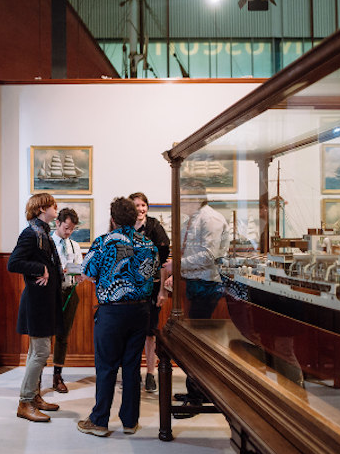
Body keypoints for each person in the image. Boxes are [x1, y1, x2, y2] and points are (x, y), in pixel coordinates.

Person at [77, 197, 159, 437]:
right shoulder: (148, 244)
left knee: (106, 366)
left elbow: (88, 273)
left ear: (112, 219)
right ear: (135, 217)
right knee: (132, 366)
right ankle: (130, 422)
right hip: (140, 310)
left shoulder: (103, 243)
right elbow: (152, 275)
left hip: (112, 311)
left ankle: (100, 421)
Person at [158, 181, 230, 417]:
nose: (180, 203)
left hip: (206, 285)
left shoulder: (210, 219)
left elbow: (209, 256)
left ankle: (198, 395)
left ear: (196, 197)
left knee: (198, 343)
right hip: (194, 283)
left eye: (183, 198)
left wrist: (176, 266)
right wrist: (177, 274)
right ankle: (195, 391)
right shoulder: (193, 220)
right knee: (192, 339)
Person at [8, 193, 64, 422]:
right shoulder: (31, 233)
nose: (56, 208)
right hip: (37, 301)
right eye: (53, 205)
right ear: (42, 209)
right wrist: (40, 268)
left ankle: (34, 397)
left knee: (36, 351)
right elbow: (14, 263)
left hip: (44, 300)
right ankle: (25, 402)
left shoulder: (42, 232)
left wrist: (43, 269)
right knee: (40, 352)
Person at [129, 192, 170, 393]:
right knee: (131, 332)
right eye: (136, 205)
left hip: (152, 286)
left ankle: (151, 373)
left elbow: (163, 262)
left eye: (143, 205)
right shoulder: (124, 226)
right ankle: (133, 371)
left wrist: (163, 290)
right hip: (129, 289)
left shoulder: (154, 227)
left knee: (149, 333)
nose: (141, 209)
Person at [50, 207, 85, 393]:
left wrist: (79, 275)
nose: (69, 232)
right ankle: (37, 377)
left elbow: (79, 266)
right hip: (51, 295)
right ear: (57, 223)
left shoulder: (74, 246)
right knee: (45, 335)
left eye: (72, 229)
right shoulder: (48, 243)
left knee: (63, 335)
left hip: (70, 292)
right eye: (66, 227)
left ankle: (57, 375)